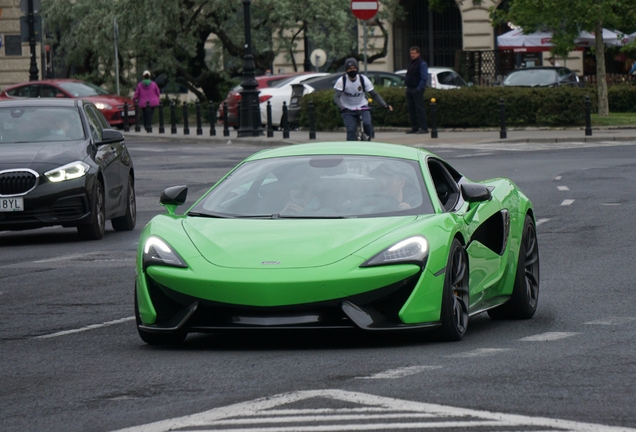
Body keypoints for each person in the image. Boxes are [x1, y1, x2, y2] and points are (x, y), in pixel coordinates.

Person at [333, 58, 393, 141]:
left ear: (357, 69)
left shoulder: (363, 79)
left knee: (367, 124)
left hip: (362, 106)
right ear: (346, 70)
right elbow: (336, 97)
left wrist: (384, 104)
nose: (352, 70)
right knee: (351, 130)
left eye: (354, 68)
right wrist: (341, 107)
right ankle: (350, 150)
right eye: (350, 69)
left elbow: (374, 94)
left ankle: (368, 140)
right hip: (347, 109)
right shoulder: (342, 81)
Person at [405, 46, 428, 134]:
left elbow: (424, 78)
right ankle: (415, 127)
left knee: (419, 109)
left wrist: (418, 89)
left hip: (416, 89)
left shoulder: (422, 64)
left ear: (418, 53)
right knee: (411, 109)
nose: (412, 55)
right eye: (411, 53)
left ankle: (424, 128)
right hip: (410, 89)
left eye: (414, 53)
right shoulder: (411, 63)